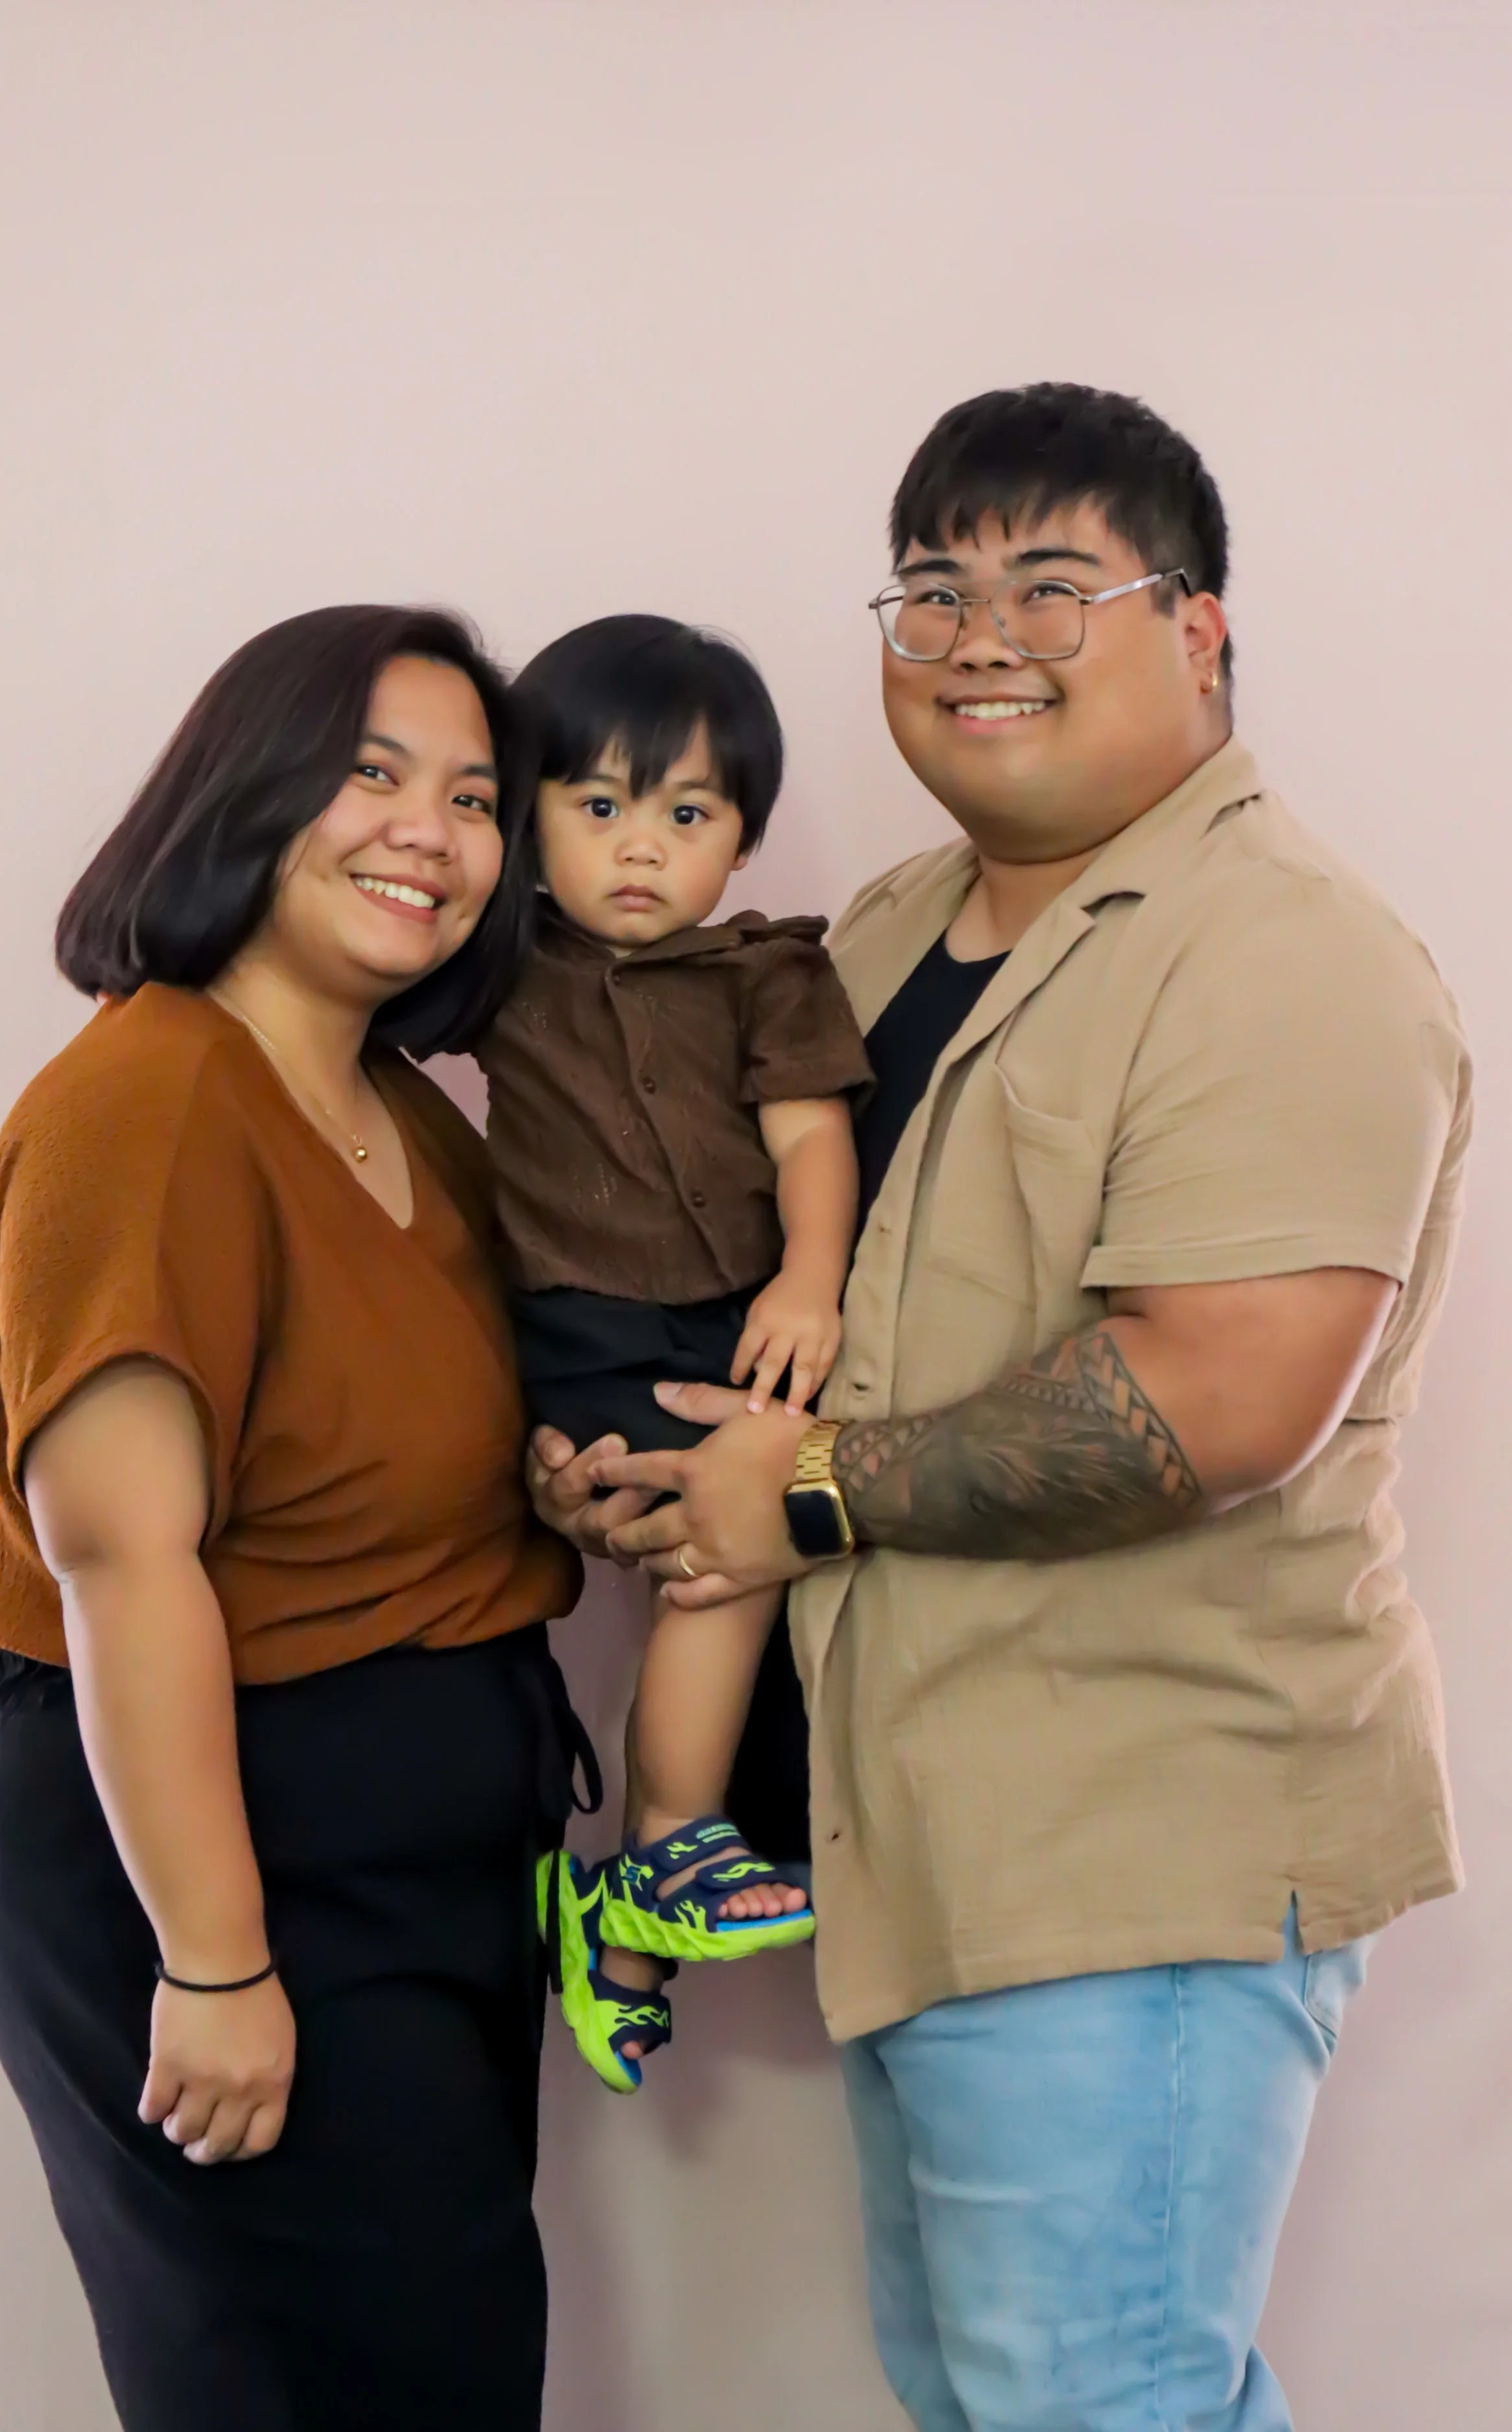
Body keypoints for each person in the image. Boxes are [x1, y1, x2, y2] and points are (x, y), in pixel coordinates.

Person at [538, 385, 1472, 2430]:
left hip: (1135, 1850)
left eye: (1051, 581)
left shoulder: (1283, 955)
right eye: (930, 588)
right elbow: (775, 1305)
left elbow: (1215, 1399)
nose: (977, 634)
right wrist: (656, 1460)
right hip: (932, 1849)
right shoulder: (875, 933)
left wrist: (789, 1491)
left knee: (1095, 2406)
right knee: (992, 2401)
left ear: (1197, 632)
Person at [0, 604, 591, 2432]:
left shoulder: (403, 1109)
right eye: (371, 772)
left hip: (418, 1862)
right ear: (247, 788)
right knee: (321, 2388)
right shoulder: (151, 1100)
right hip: (218, 1849)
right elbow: (120, 1554)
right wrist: (215, 1954)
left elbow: (379, 1454)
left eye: (476, 795)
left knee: (445, 2367)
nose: (434, 830)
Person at [473, 615, 871, 2091]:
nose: (639, 849)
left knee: (746, 1556)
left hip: (743, 1323)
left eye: (685, 814)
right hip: (577, 1323)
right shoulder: (499, 959)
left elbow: (810, 1134)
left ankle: (638, 1894)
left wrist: (811, 1282)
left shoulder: (768, 972)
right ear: (526, 825)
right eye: (596, 807)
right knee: (711, 1558)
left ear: (739, 841)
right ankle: (659, 1856)